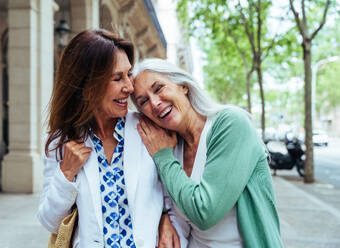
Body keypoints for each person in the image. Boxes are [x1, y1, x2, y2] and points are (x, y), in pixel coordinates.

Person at [37, 30, 179, 248]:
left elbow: (171, 188)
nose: (129, 87)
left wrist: (167, 217)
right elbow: (49, 221)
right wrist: (66, 174)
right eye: (117, 78)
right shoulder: (61, 141)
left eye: (128, 74)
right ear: (87, 84)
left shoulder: (148, 127)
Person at [132, 58, 284, 247]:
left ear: (183, 86)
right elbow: (175, 208)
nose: (154, 103)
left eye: (159, 88)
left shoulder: (230, 124)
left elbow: (204, 213)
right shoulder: (170, 145)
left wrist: (163, 158)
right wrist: (164, 219)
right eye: (143, 101)